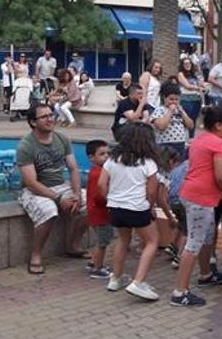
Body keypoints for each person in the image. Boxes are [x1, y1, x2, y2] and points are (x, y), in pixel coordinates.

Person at [171, 105, 222, 307]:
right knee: (194, 243)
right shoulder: (218, 144)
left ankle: (205, 274)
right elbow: (220, 175)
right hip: (201, 198)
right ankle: (180, 292)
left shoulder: (199, 139)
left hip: (191, 193)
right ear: (218, 125)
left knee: (203, 237)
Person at [17, 104, 86, 275]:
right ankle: (36, 254)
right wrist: (58, 199)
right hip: (35, 190)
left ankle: (73, 245)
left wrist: (76, 194)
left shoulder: (62, 139)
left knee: (89, 201)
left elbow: (73, 169)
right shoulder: (26, 146)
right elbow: (31, 182)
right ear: (33, 122)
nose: (50, 119)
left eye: (51, 115)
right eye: (45, 116)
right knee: (48, 210)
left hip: (61, 186)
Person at [96, 123, 161, 301]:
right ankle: (138, 282)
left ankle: (115, 278)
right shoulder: (148, 163)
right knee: (152, 241)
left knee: (123, 240)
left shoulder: (112, 160)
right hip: (137, 207)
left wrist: (111, 199)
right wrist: (150, 207)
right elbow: (152, 190)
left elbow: (101, 185)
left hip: (116, 207)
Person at [85, 140, 113, 279]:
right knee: (103, 242)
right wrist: (111, 201)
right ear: (92, 157)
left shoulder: (96, 171)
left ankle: (94, 262)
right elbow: (99, 196)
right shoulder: (98, 174)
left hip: (96, 212)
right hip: (100, 213)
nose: (106, 156)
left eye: (108, 153)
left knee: (101, 240)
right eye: (102, 154)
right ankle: (97, 267)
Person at [150, 82, 194, 159]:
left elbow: (191, 125)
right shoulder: (160, 110)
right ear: (164, 98)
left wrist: (183, 113)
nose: (174, 102)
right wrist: (170, 111)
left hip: (180, 143)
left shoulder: (179, 110)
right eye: (171, 99)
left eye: (176, 99)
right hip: (165, 145)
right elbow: (161, 126)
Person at [176, 58, 204, 136]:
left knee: (193, 119)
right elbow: (187, 86)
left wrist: (202, 84)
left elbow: (201, 83)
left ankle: (191, 137)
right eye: (185, 64)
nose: (188, 65)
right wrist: (198, 88)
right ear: (182, 65)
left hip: (196, 99)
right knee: (186, 119)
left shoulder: (194, 75)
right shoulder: (180, 74)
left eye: (189, 63)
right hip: (186, 100)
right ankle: (184, 137)